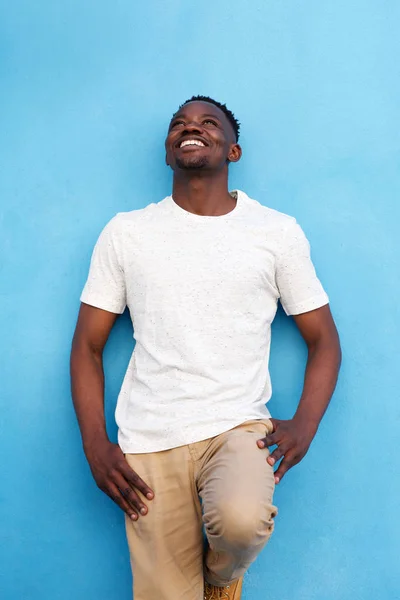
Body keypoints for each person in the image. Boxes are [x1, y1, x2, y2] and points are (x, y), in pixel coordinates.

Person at [70, 95, 341, 600]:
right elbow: (87, 345)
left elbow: (323, 339)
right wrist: (95, 445)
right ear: (168, 151)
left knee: (242, 524)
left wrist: (305, 424)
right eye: (180, 124)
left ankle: (220, 578)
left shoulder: (275, 232)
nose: (191, 128)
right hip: (149, 438)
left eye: (208, 122)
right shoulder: (126, 233)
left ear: (232, 152)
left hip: (237, 424)